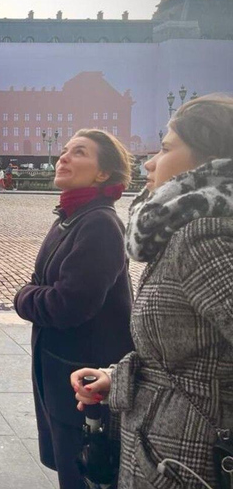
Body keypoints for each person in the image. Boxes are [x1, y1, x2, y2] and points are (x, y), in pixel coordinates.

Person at [72, 95, 233, 488]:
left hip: (188, 460)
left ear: (208, 161)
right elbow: (191, 356)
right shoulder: (185, 232)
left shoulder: (205, 237)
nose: (149, 162)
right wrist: (117, 379)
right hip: (165, 447)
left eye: (165, 148)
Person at [14, 129, 135, 489]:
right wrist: (37, 290)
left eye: (78, 152)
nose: (62, 157)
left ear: (103, 174)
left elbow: (68, 305)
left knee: (82, 475)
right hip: (61, 371)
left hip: (84, 378)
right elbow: (45, 283)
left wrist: (23, 296)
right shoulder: (71, 217)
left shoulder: (99, 223)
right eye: (64, 150)